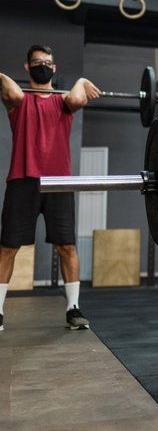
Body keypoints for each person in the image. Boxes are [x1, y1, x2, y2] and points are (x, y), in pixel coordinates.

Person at [0, 44, 101, 332]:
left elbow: (78, 99)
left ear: (54, 69)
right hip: (23, 179)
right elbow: (11, 91)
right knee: (8, 247)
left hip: (59, 181)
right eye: (36, 62)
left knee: (67, 246)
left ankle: (73, 309)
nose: (42, 65)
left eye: (47, 62)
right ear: (27, 67)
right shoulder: (18, 101)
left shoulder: (63, 102)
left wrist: (81, 80)